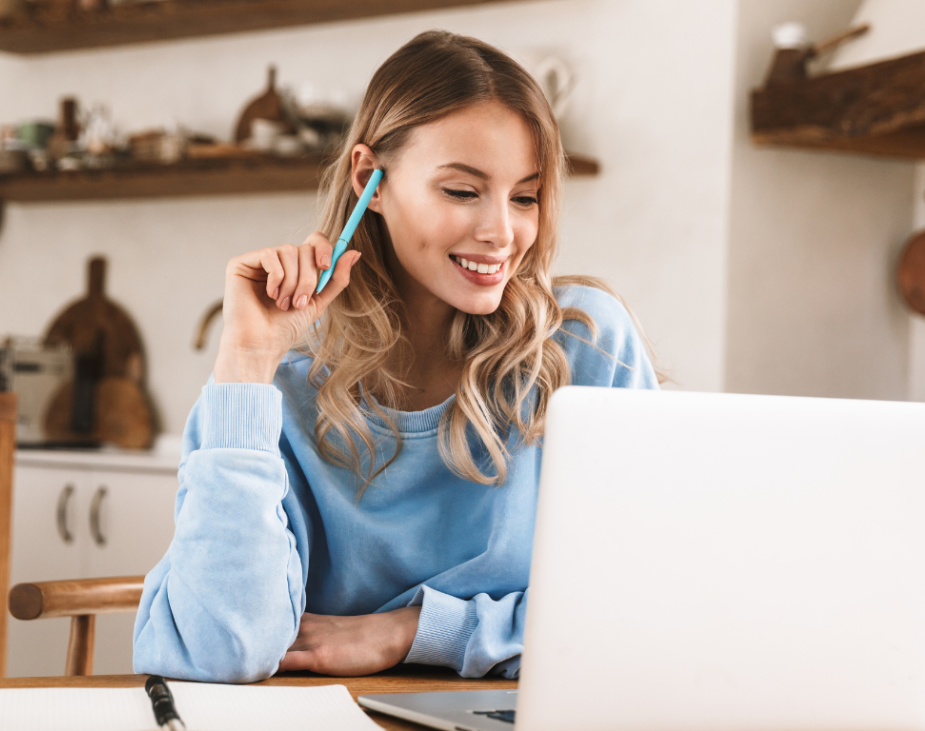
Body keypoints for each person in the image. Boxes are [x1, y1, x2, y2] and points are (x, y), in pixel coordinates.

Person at [132, 29, 660, 684]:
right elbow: (221, 648)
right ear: (369, 180)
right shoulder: (284, 386)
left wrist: (411, 630)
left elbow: (644, 610)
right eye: (463, 191)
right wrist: (245, 359)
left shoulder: (583, 347)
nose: (502, 231)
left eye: (525, 195)